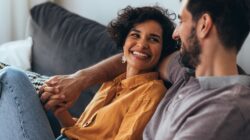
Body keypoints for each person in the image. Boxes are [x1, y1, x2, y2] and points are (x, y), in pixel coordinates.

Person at [43, 0, 250, 139]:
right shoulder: (186, 71)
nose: (175, 34)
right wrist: (80, 79)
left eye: (182, 20)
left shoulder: (225, 110)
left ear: (204, 25)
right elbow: (134, 59)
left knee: (13, 79)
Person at [0, 5, 177, 140]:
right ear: (123, 42)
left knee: (12, 77)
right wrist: (60, 111)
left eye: (153, 39)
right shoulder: (113, 81)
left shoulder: (151, 92)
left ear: (162, 50)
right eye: (135, 35)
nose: (142, 44)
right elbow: (83, 132)